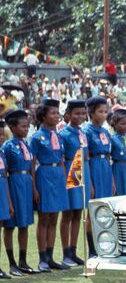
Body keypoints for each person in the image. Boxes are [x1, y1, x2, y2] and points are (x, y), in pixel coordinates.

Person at [31, 98, 69, 271]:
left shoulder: (59, 136)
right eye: (52, 113)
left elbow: (62, 160)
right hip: (44, 175)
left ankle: (51, 256)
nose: (56, 116)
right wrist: (34, 188)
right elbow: (31, 164)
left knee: (55, 217)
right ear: (43, 116)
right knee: (44, 218)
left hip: (58, 177)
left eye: (57, 113)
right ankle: (42, 258)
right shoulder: (37, 137)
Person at [2, 110, 36, 277]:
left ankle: (23, 261)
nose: (26, 129)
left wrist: (34, 187)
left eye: (27, 126)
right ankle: (12, 262)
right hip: (14, 183)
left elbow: (30, 165)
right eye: (23, 126)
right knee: (10, 225)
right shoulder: (7, 146)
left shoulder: (26, 144)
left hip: (26, 183)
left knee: (24, 224)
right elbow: (5, 171)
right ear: (12, 127)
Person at [58, 100, 90, 267]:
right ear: (68, 115)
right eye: (76, 113)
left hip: (82, 171)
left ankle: (73, 250)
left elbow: (86, 156)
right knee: (68, 213)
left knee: (78, 212)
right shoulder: (63, 134)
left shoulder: (83, 133)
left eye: (82, 113)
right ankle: (65, 253)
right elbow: (62, 158)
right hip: (71, 170)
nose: (80, 116)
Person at [84, 96, 113, 257]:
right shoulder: (87, 132)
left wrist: (113, 180)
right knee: (92, 211)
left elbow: (108, 155)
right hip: (94, 167)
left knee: (105, 210)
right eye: (100, 112)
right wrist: (91, 183)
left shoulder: (105, 131)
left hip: (105, 168)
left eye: (105, 111)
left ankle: (105, 245)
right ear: (91, 113)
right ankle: (92, 248)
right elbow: (86, 158)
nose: (104, 115)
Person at [110, 110, 126, 196]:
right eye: (122, 124)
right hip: (119, 168)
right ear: (115, 124)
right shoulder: (113, 139)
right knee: (121, 191)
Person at [0, 122, 14, 279]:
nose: (1, 138)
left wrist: (9, 203)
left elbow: (5, 176)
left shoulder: (2, 153)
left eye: (2, 134)